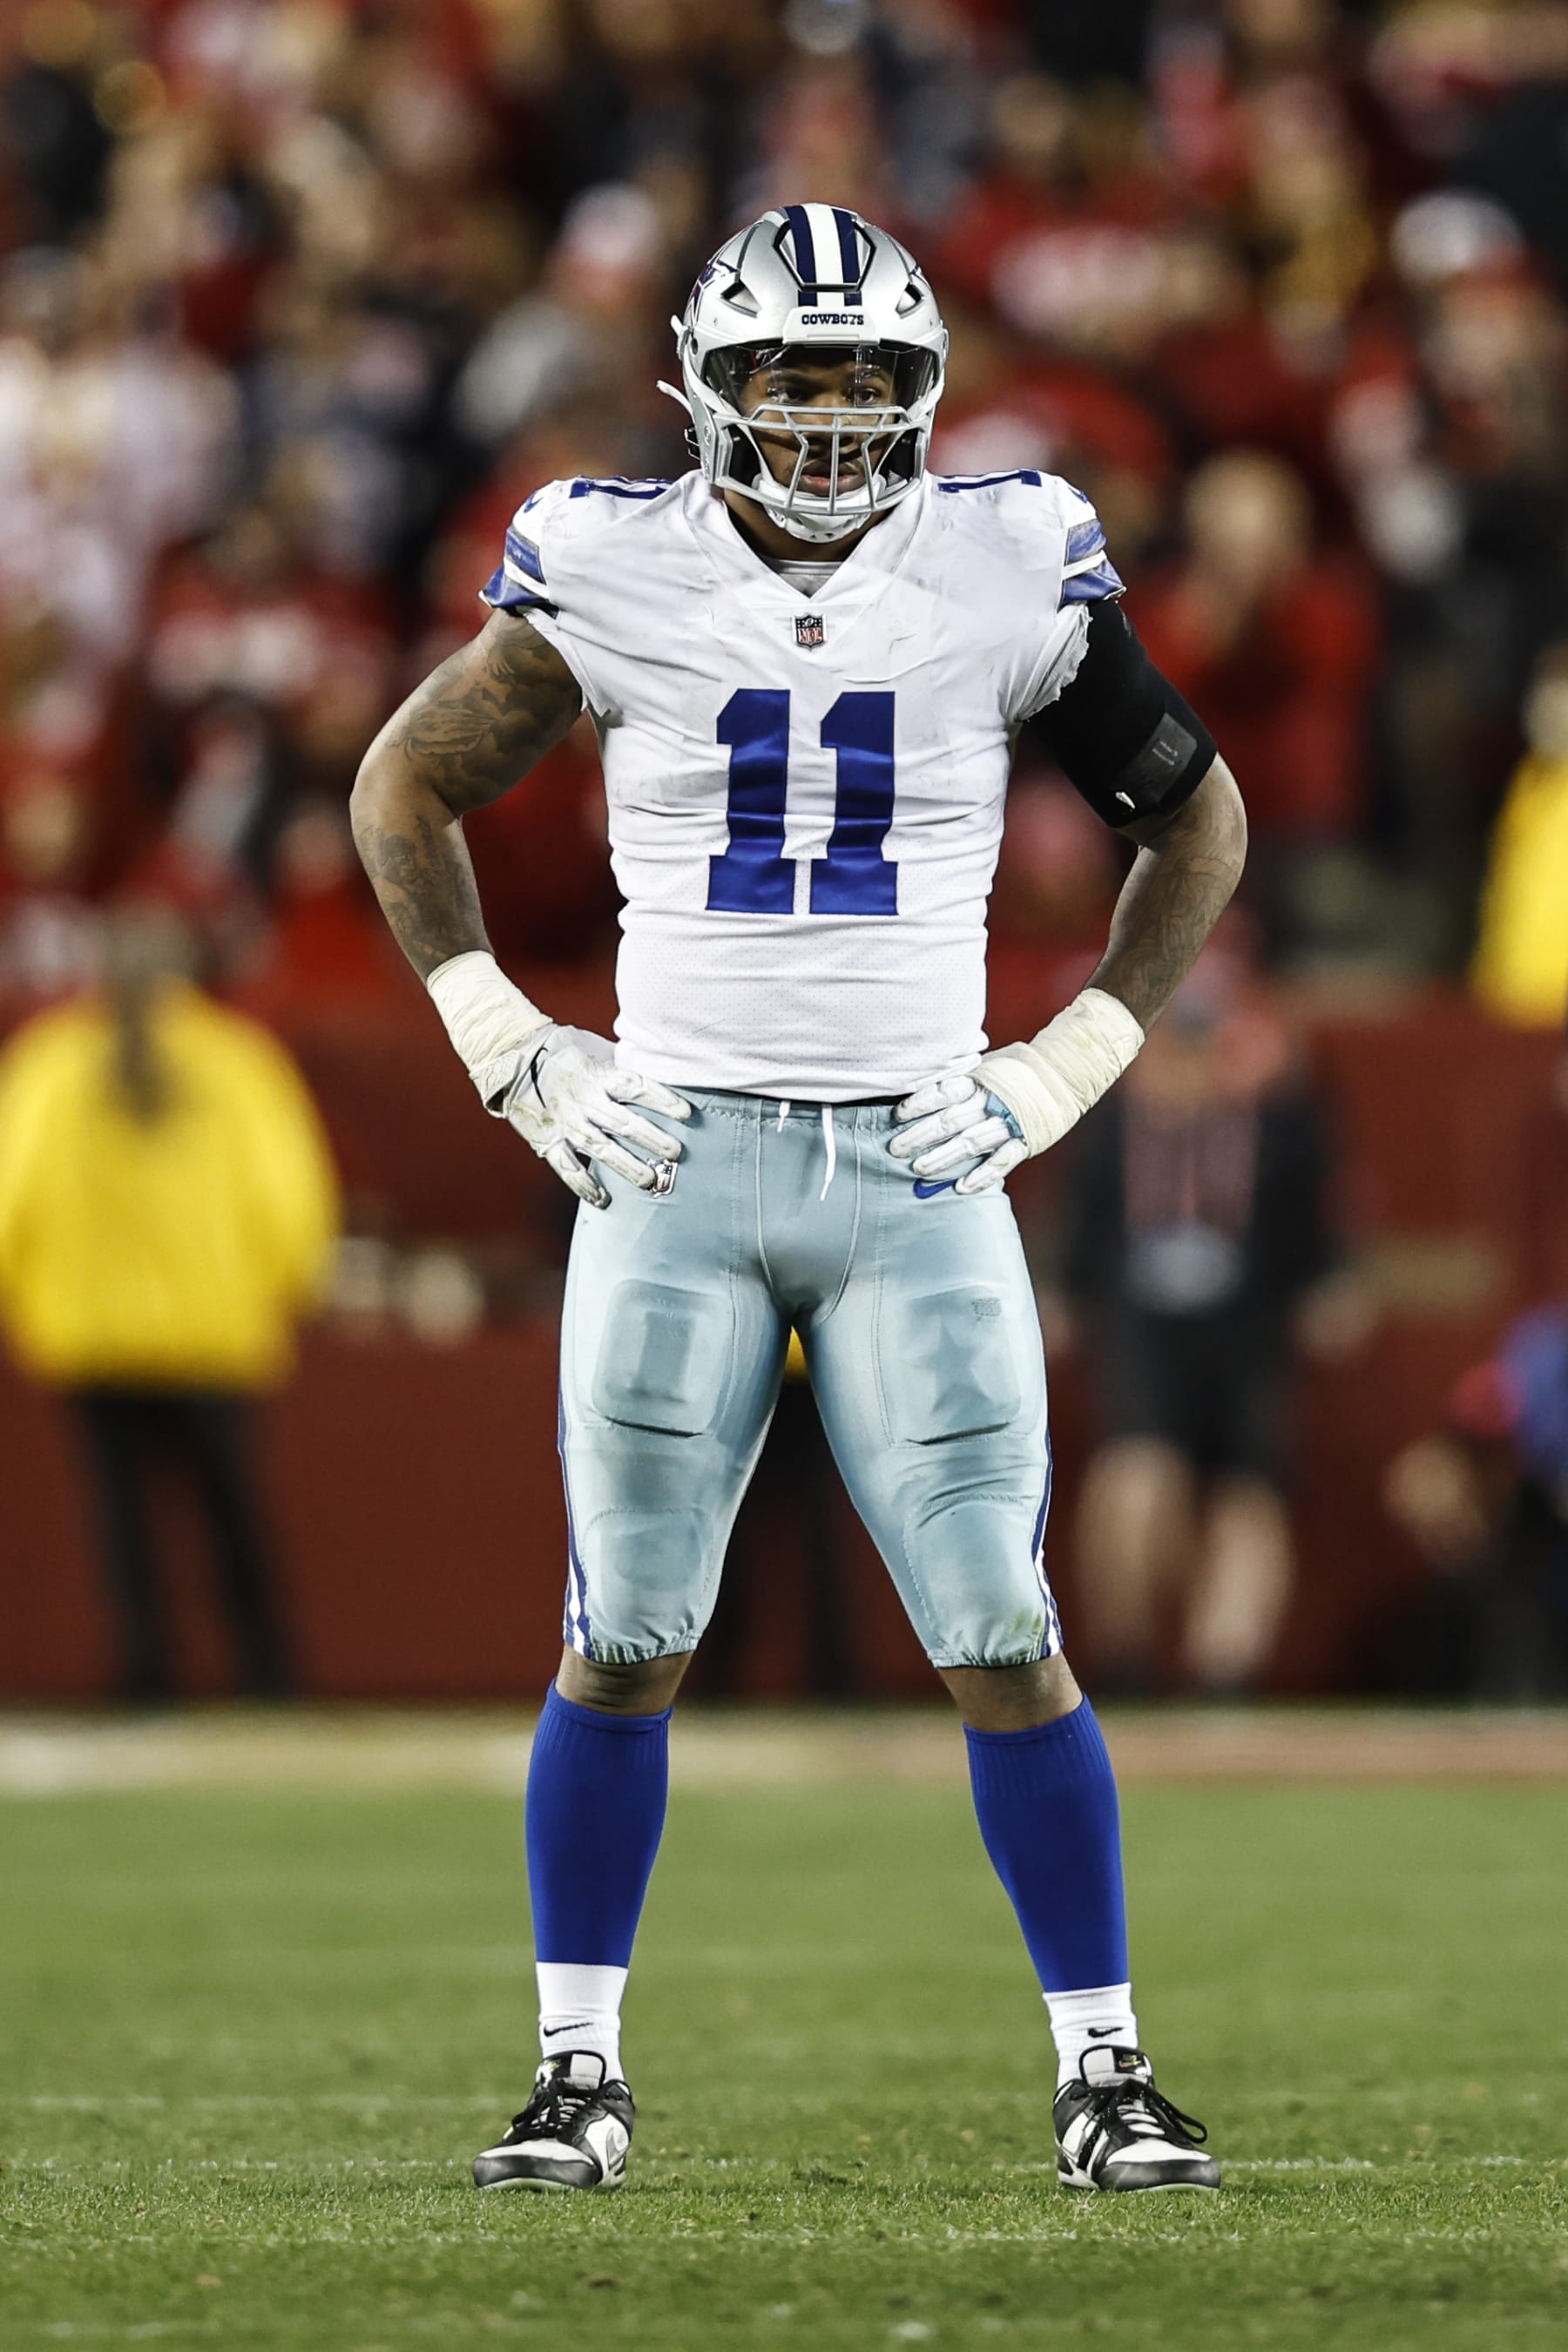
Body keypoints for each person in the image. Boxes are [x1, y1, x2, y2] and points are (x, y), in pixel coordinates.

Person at [352, 206, 1247, 2197]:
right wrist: (505, 1033)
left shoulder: (1007, 558)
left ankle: (1103, 2065)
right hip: (677, 1152)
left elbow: (1199, 808)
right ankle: (574, 2064)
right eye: (790, 377)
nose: (830, 419)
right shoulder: (607, 559)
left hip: (918, 1157)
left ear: (921, 391)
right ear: (708, 387)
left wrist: (1075, 1053)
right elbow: (401, 785)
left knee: (1004, 1624)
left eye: (863, 379)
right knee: (626, 1627)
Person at [0, 904, 338, 1700]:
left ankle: (146, 1674)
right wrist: (290, 1290)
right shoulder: (238, 1062)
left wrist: (29, 1304)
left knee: (121, 1520)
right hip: (217, 1331)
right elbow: (291, 1200)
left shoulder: (48, 1064)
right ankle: (267, 1672)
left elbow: (11, 1202)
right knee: (232, 1510)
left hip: (89, 1334)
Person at [1054, 961, 1361, 1697]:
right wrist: (1060, 1294)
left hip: (1246, 1334)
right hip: (1145, 1333)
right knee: (1135, 1478)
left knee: (1248, 1496)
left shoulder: (1278, 1122)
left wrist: (1329, 1287)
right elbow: (1080, 1225)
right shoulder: (1111, 1128)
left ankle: (1227, 1666)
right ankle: (1126, 1655)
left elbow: (1315, 1224)